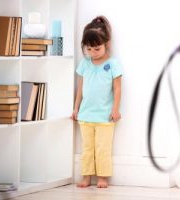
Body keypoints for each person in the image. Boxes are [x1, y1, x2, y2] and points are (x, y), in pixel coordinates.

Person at [71, 15, 122, 188]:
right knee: (87, 149)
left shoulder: (113, 64)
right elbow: (80, 88)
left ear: (106, 43)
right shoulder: (85, 63)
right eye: (89, 49)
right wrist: (76, 108)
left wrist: (115, 110)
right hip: (85, 115)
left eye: (97, 49)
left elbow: (117, 88)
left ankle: (102, 177)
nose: (93, 53)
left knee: (102, 149)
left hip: (105, 117)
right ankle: (86, 177)